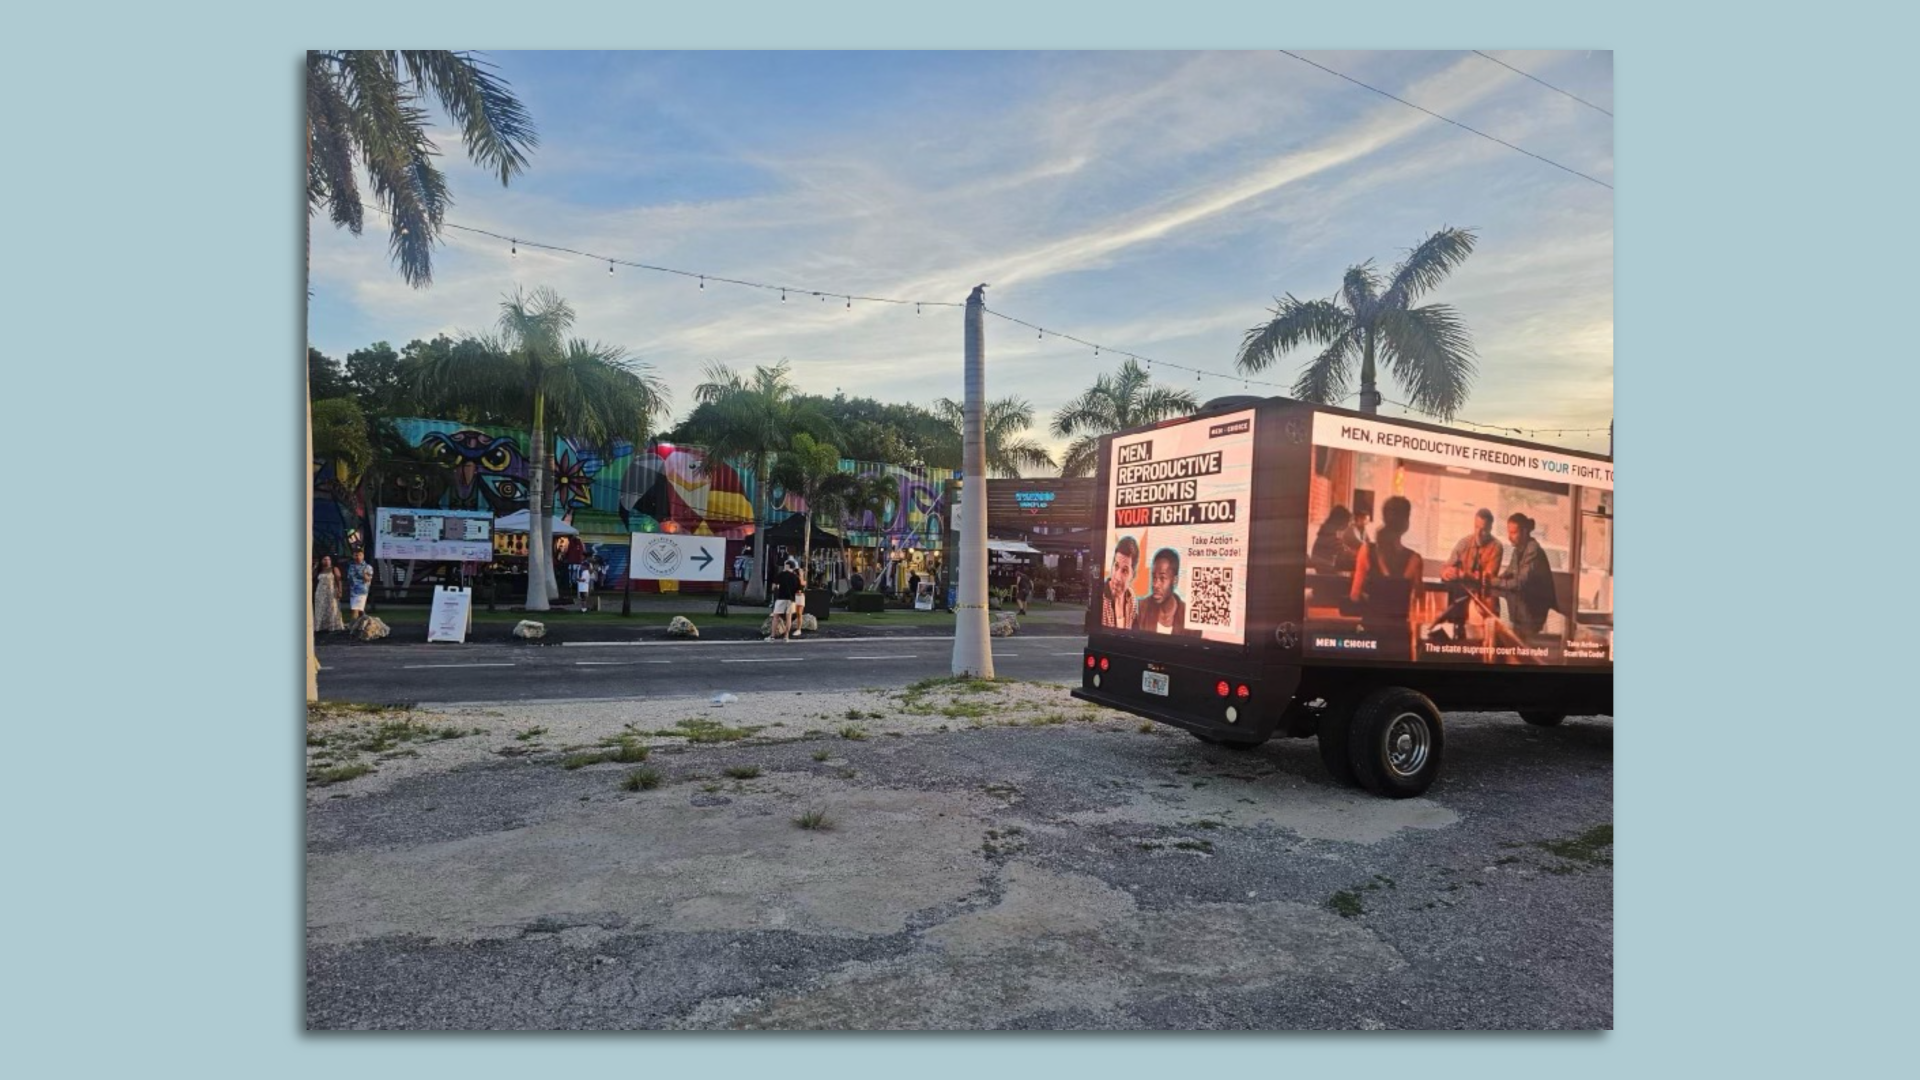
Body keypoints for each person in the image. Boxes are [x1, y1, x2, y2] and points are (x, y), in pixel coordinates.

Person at [1349, 496, 1423, 653]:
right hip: (1398, 637)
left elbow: (1354, 596)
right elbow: (1418, 599)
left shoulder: (1366, 550)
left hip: (1369, 634)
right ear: (1406, 524)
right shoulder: (1415, 560)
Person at [1430, 509, 1504, 642]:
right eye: (1476, 527)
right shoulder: (1464, 542)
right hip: (1460, 600)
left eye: (1484, 529)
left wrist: (1464, 574)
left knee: (1481, 637)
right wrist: (1447, 573)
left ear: (1491, 528)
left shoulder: (1497, 546)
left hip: (1484, 601)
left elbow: (1487, 577)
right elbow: (1445, 567)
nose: (1478, 533)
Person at [1490, 512, 1558, 642]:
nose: (1509, 537)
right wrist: (1493, 579)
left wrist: (1494, 582)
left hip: (1537, 612)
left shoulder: (1533, 549)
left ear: (1525, 531)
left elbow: (1520, 583)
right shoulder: (1518, 550)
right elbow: (1508, 573)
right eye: (1509, 532)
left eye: (1513, 533)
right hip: (1524, 608)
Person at [1133, 548, 1190, 635]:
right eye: (1154, 578)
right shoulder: (1141, 609)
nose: (1155, 585)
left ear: (1175, 581)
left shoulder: (1188, 616)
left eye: (1162, 578)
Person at [1099, 536, 1141, 630]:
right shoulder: (1099, 598)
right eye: (1116, 566)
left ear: (1133, 576)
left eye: (1125, 571)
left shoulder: (1131, 597)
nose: (1117, 577)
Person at [770, 557, 802, 641]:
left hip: (781, 598)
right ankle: (786, 636)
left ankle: (773, 636)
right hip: (791, 600)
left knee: (776, 616)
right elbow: (799, 591)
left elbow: (773, 587)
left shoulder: (781, 575)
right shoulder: (796, 577)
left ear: (787, 566)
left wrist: (777, 587)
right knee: (789, 617)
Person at [314, 555, 346, 633]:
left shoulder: (334, 569)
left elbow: (339, 580)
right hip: (320, 592)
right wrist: (315, 566)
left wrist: (340, 591)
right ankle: (320, 626)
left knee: (332, 607)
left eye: (328, 559)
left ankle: (333, 626)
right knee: (321, 608)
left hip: (331, 591)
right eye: (325, 559)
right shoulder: (320, 570)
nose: (327, 561)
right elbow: (311, 576)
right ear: (322, 561)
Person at [346, 548, 374, 622]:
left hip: (361, 591)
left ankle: (353, 627)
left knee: (354, 609)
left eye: (360, 555)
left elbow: (368, 579)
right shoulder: (351, 566)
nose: (358, 557)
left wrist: (364, 574)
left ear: (363, 556)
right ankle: (365, 624)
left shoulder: (367, 567)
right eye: (356, 555)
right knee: (360, 611)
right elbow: (349, 578)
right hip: (353, 591)